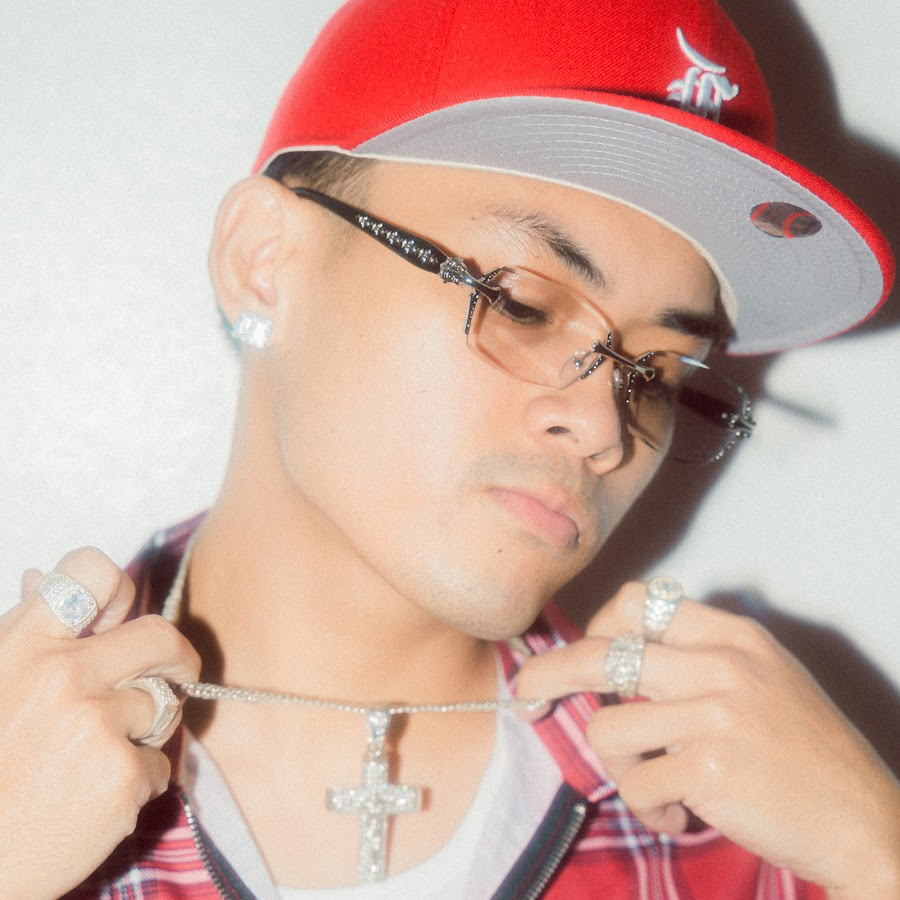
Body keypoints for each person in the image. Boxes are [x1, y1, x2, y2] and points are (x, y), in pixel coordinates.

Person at [1, 0, 898, 897]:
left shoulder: (740, 830)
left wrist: (876, 850)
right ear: (263, 260)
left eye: (656, 375)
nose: (603, 428)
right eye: (521, 305)